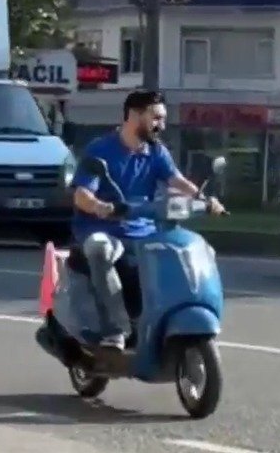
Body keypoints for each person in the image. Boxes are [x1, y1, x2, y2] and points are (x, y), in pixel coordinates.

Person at [70, 90, 226, 350]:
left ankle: (168, 318)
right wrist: (99, 206)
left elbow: (176, 180)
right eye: (156, 118)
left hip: (145, 230)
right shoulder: (100, 150)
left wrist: (205, 200)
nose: (161, 125)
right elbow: (81, 195)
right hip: (106, 229)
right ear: (134, 115)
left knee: (197, 248)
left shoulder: (156, 152)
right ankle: (116, 329)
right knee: (100, 248)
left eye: (163, 119)